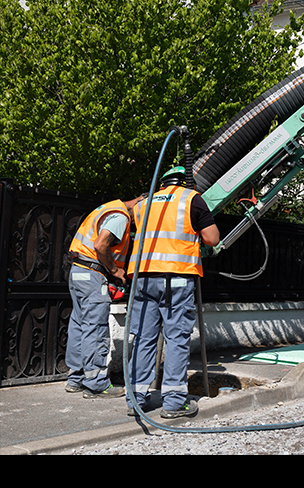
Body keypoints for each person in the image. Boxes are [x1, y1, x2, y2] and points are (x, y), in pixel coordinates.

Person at [126, 166, 219, 419]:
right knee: (176, 339)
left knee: (143, 339)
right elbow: (211, 238)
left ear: (163, 182)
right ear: (185, 182)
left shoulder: (144, 205)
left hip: (143, 278)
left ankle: (136, 399)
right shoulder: (191, 199)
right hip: (175, 278)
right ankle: (174, 403)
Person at [66, 195, 143, 398]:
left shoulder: (107, 208)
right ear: (140, 205)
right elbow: (101, 246)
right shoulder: (120, 217)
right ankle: (96, 382)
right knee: (96, 327)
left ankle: (76, 378)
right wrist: (115, 270)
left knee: (79, 324)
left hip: (79, 271)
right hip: (94, 273)